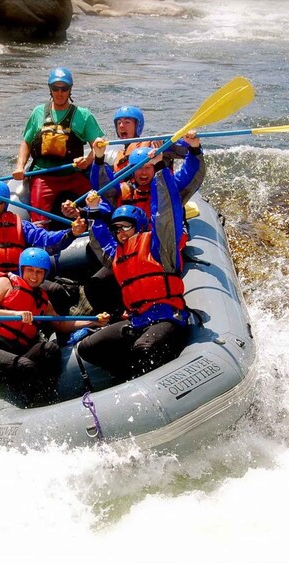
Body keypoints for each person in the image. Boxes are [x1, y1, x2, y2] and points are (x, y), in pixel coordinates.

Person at [77, 139, 203, 382]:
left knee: (143, 349)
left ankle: (145, 379)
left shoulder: (158, 245)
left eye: (126, 227)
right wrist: (92, 211)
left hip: (168, 316)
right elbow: (101, 239)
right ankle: (124, 375)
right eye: (118, 229)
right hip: (137, 319)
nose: (121, 232)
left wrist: (160, 168)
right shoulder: (117, 254)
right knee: (87, 347)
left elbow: (165, 213)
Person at [70, 131, 206, 321]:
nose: (143, 173)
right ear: (132, 170)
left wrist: (194, 148)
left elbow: (192, 174)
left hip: (161, 252)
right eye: (139, 168)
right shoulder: (124, 191)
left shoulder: (169, 186)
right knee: (97, 283)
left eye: (149, 167)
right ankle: (114, 317)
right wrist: (99, 159)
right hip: (131, 253)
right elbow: (105, 188)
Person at [0, 247, 109, 406]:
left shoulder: (43, 302)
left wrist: (93, 321)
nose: (34, 276)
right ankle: (35, 405)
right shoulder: (5, 283)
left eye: (39, 272)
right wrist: (15, 314)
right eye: (30, 270)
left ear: (45, 274)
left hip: (13, 353)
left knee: (50, 350)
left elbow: (61, 325)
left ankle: (47, 397)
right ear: (22, 269)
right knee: (25, 366)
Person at [0, 179, 86, 312]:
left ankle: (57, 329)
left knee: (56, 291)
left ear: (6, 203)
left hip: (20, 278)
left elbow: (46, 240)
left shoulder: (21, 225)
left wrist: (71, 233)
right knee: (12, 300)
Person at [13, 66, 105, 228]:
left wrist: (88, 160)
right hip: (44, 176)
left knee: (97, 203)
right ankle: (42, 242)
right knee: (39, 222)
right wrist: (20, 166)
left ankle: (97, 232)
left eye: (64, 88)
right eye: (56, 88)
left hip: (73, 174)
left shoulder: (83, 115)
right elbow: (26, 142)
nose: (60, 92)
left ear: (70, 90)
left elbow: (98, 143)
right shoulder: (38, 112)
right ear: (50, 89)